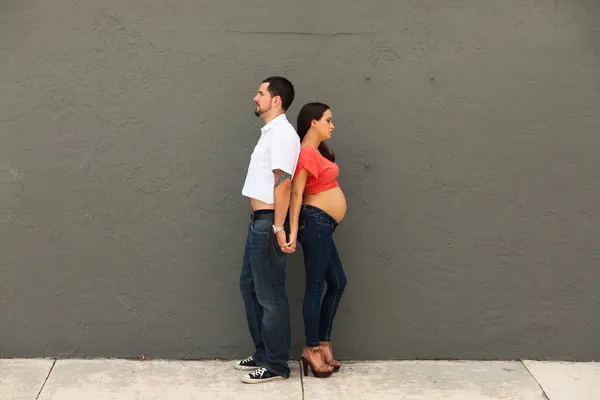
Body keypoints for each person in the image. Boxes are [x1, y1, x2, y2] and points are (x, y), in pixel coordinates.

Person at [235, 76, 300, 384]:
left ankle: (275, 363)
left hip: (268, 223)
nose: (254, 97)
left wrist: (278, 227)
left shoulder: (283, 134)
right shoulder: (270, 133)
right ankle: (263, 353)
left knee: (269, 295)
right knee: (250, 288)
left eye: (260, 93)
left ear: (276, 100)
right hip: (259, 224)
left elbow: (283, 182)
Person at [283, 102, 348, 378]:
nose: (332, 125)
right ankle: (311, 349)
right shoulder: (307, 152)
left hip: (323, 225)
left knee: (337, 282)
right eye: (328, 120)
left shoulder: (315, 152)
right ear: (313, 122)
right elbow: (296, 194)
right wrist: (293, 231)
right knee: (315, 287)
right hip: (315, 223)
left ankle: (323, 343)